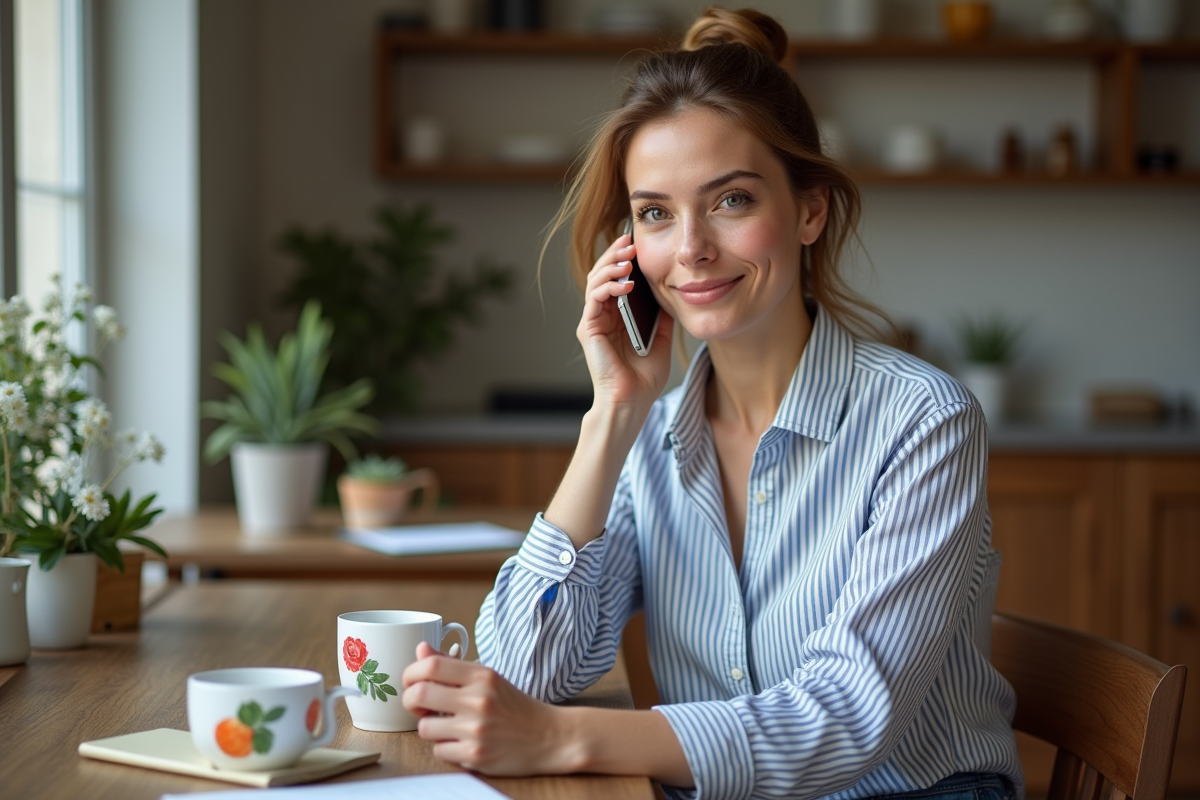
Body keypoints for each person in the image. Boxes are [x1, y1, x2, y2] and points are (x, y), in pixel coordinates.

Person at [401, 7, 1022, 799]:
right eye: (655, 212)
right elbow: (526, 670)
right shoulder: (650, 438)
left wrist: (559, 738)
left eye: (730, 201)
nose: (689, 247)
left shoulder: (922, 421)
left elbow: (846, 717)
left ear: (808, 210)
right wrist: (611, 419)